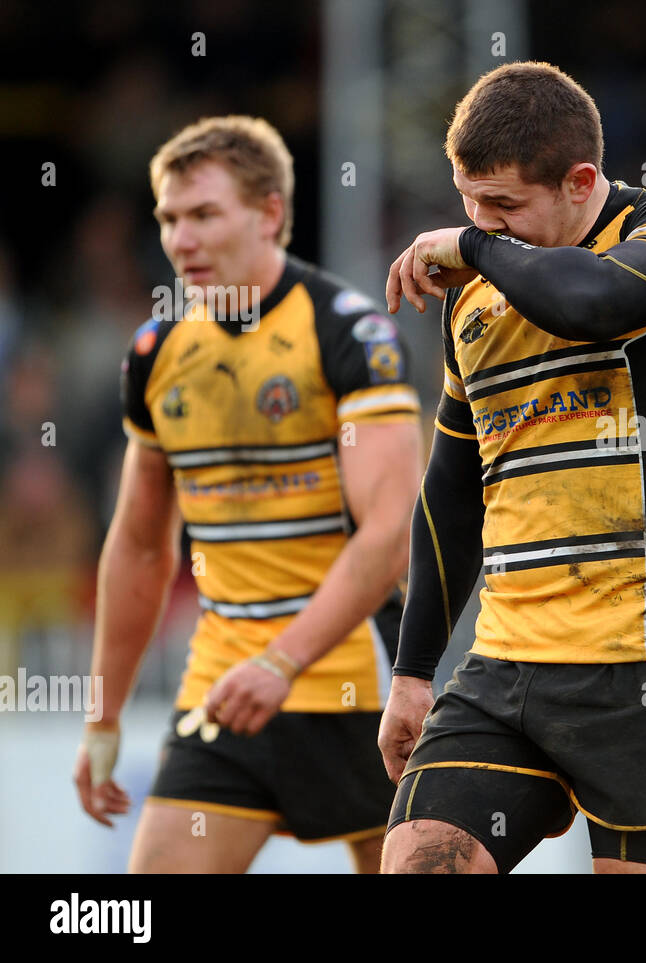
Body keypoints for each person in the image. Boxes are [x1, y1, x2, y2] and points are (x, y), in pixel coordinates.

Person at [378, 61, 646, 874]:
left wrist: (471, 243)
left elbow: (593, 302)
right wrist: (411, 671)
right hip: (505, 669)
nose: (479, 225)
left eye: (504, 206)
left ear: (581, 181)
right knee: (423, 864)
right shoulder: (474, 296)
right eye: (468, 201)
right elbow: (450, 491)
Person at [73, 116, 423, 873]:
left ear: (269, 213)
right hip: (226, 686)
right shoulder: (157, 351)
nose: (179, 239)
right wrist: (102, 718)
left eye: (202, 214)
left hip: (356, 684)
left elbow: (391, 531)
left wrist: (283, 661)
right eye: (168, 218)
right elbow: (137, 545)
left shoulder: (347, 334)